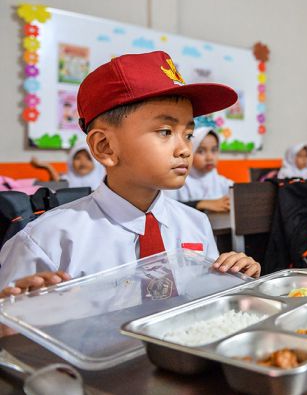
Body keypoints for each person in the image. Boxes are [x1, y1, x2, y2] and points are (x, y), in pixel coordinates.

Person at [0, 51, 261, 296]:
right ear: (105, 147)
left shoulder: (195, 224)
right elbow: (14, 333)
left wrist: (233, 279)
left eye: (188, 134)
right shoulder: (47, 241)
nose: (185, 149)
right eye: (165, 131)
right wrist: (13, 325)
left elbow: (201, 306)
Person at [167, 127, 232, 213]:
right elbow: (167, 207)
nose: (209, 157)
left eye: (214, 150)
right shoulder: (178, 181)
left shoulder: (221, 182)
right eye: (201, 151)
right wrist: (200, 204)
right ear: (190, 152)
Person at [30, 140, 105, 189]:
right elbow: (58, 184)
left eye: (88, 158)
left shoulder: (104, 181)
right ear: (70, 161)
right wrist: (48, 167)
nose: (82, 162)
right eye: (77, 158)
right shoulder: (67, 179)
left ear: (97, 161)